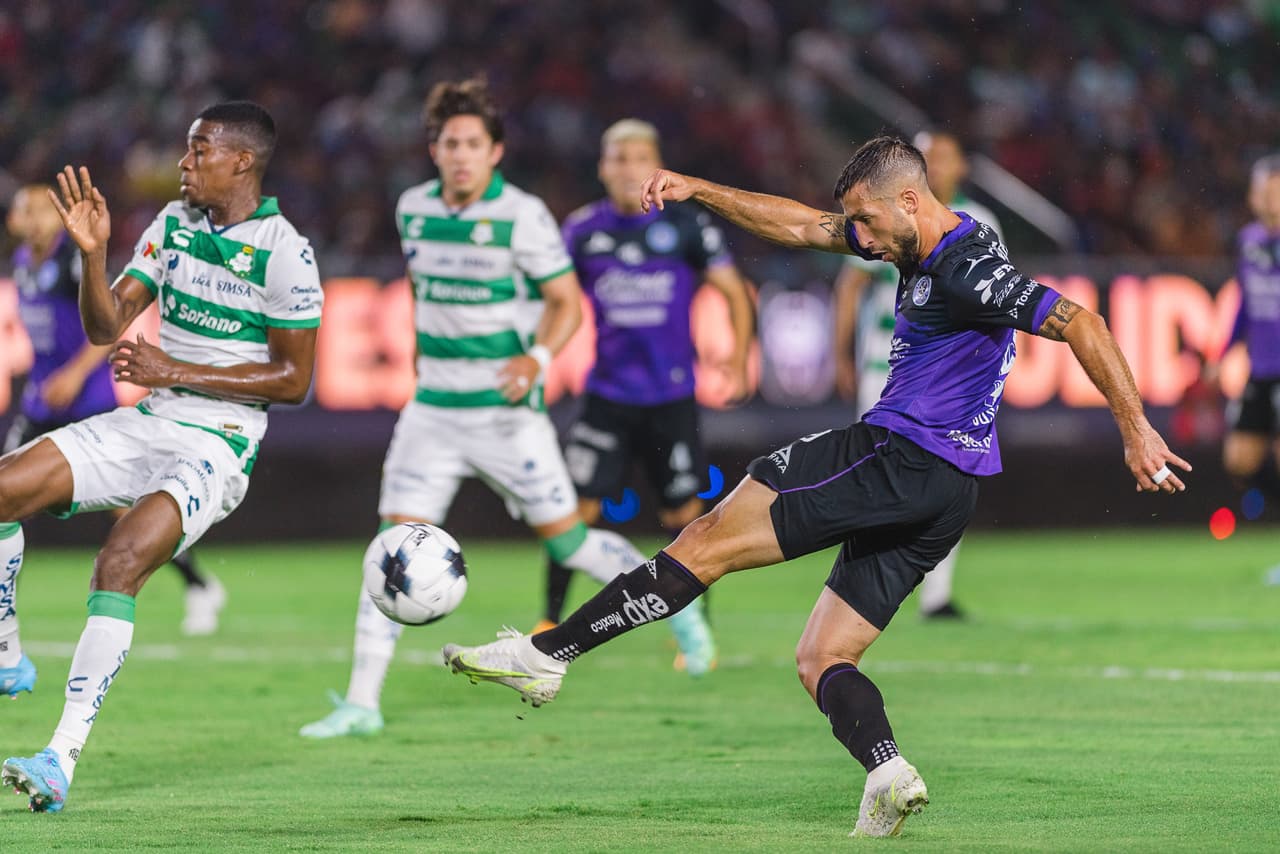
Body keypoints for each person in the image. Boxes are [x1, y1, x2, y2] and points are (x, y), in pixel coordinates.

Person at [441, 136, 1189, 838]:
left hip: (898, 454)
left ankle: (549, 656)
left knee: (707, 539)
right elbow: (803, 227)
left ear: (908, 202)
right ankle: (889, 773)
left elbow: (1079, 320)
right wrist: (700, 188)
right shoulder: (915, 239)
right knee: (822, 658)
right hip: (950, 493)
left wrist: (1135, 428)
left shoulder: (966, 267)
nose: (858, 239)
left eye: (866, 221)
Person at [299, 80, 715, 739]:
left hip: (505, 414)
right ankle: (362, 703)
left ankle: (678, 607)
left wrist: (539, 361)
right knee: (390, 551)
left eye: (473, 144)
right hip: (431, 414)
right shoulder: (413, 210)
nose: (461, 155)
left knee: (569, 541)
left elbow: (566, 304)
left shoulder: (523, 215)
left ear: (495, 151)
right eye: (449, 143)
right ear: (433, 149)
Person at [0, 101, 322, 813]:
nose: (182, 164)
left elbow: (295, 381)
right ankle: (6, 651)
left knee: (118, 562)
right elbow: (104, 327)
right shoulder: (171, 226)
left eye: (198, 151)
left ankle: (59, 758)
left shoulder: (284, 251)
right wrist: (91, 254)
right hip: (150, 418)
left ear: (241, 161)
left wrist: (173, 368)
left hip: (220, 443)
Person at [539, 118, 754, 674]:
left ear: (657, 165)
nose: (628, 166)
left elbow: (733, 291)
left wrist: (737, 353)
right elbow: (554, 297)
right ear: (603, 167)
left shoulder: (686, 225)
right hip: (606, 397)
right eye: (617, 157)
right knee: (572, 515)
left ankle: (695, 632)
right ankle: (548, 622)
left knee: (687, 518)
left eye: (639, 156)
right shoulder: (583, 230)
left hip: (671, 397)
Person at [4, 185, 226, 636]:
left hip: (87, 399)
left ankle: (199, 584)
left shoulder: (72, 261)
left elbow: (103, 327)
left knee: (129, 514)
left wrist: (73, 373)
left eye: (37, 210)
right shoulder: (24, 265)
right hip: (41, 400)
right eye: (21, 210)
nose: (27, 218)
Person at [832, 131, 1002, 620]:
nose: (937, 164)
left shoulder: (980, 222)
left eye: (945, 156)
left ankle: (936, 595)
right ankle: (863, 582)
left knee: (947, 476)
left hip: (947, 376)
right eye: (929, 156)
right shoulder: (884, 216)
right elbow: (851, 284)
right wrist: (842, 354)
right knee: (874, 477)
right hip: (882, 366)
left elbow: (996, 293)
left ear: (961, 166)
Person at [1221, 154, 1280, 584]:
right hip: (1261, 368)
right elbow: (1245, 303)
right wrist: (1224, 352)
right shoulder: (1248, 241)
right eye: (1266, 192)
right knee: (1240, 460)